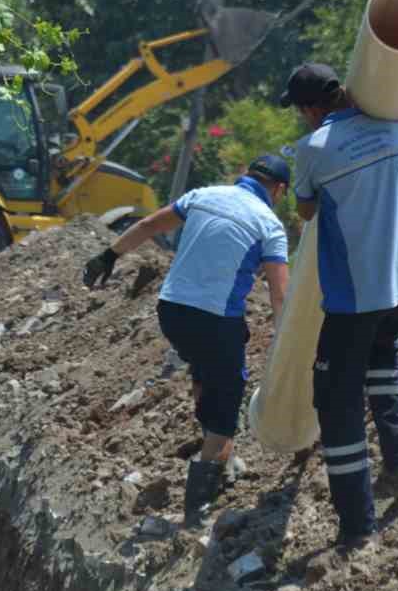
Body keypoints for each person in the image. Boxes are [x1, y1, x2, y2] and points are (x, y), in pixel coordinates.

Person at [82, 155, 291, 524]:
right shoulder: (269, 224)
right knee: (228, 409)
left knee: (206, 365)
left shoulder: (203, 195)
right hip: (214, 320)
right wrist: (286, 340)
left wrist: (107, 256)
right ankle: (199, 503)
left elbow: (148, 224)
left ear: (246, 175)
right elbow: (279, 294)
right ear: (280, 189)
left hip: (171, 311)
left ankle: (217, 447)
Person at [279, 62, 398, 550]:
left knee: (336, 398)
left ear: (310, 108)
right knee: (381, 359)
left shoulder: (313, 148)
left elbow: (305, 211)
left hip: (356, 298)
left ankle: (356, 526)